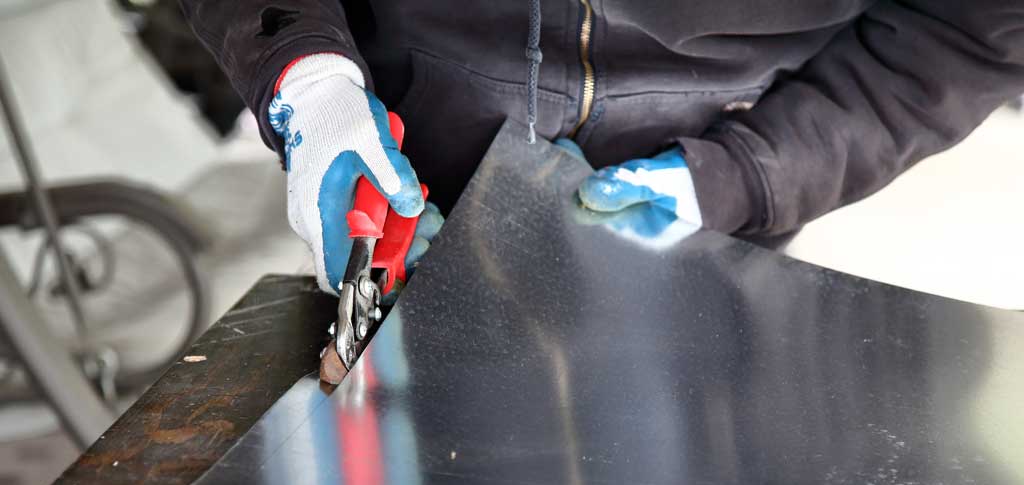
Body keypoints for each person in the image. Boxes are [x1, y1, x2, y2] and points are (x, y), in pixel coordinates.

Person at [179, 2, 1024, 295]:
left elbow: (964, 32)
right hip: (405, 177)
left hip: (707, 194)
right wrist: (306, 78)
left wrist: (754, 171)